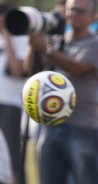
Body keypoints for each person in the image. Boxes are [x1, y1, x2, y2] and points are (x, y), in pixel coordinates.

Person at [24, 0, 98, 183]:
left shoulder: (97, 44)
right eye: (70, 10)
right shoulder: (56, 42)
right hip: (51, 125)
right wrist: (33, 43)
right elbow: (30, 71)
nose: (73, 14)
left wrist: (45, 49)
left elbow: (78, 68)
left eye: (80, 11)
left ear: (93, 17)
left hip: (83, 127)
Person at [0, 3, 28, 183]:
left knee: (12, 157)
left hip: (10, 104)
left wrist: (7, 36)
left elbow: (18, 70)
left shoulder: (20, 39)